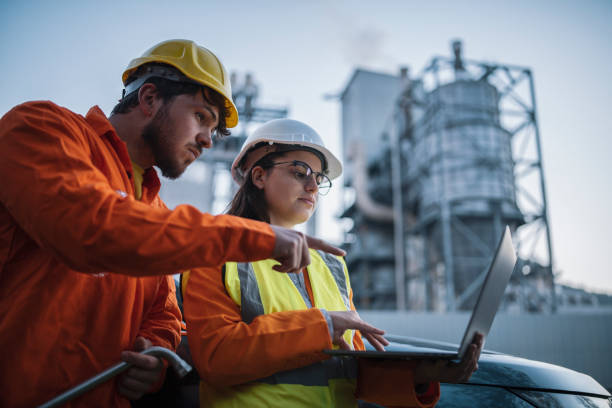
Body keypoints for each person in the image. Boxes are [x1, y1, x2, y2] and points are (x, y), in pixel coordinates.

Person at [0, 40, 344, 408]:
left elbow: (164, 313)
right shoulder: (41, 128)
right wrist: (256, 235)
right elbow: (91, 229)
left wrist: (156, 357)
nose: (207, 141)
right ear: (149, 98)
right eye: (201, 117)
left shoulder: (154, 208)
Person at [183, 119, 484, 407]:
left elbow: (347, 371)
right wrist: (323, 326)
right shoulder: (214, 252)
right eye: (300, 171)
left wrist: (423, 377)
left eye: (319, 177)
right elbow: (217, 356)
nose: (313, 186)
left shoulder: (331, 266)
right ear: (259, 176)